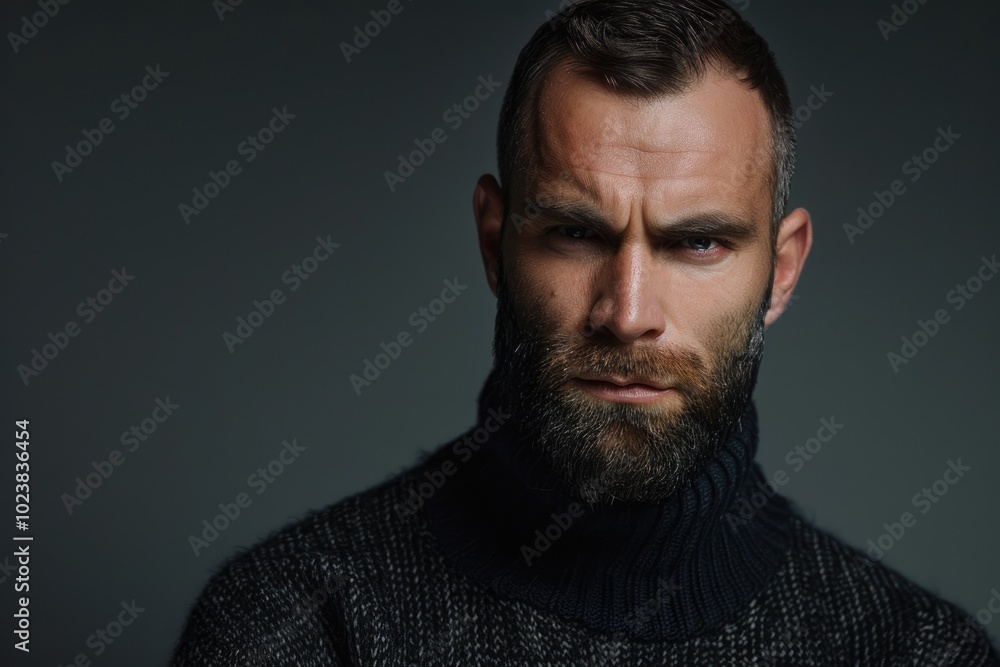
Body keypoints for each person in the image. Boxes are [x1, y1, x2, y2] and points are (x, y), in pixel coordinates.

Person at [170, 0, 1000, 664]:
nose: (627, 312)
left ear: (781, 271)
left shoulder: (914, 650)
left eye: (697, 243)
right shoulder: (300, 625)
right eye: (574, 233)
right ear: (494, 242)